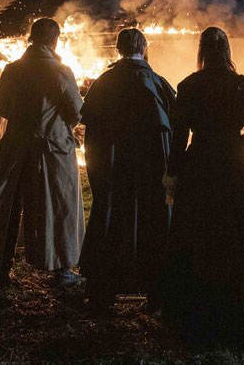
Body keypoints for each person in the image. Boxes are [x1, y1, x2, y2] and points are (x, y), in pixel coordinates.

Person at [159, 27, 244, 354]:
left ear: (202, 51)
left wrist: (173, 172)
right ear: (227, 50)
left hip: (200, 166)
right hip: (235, 167)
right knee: (238, 235)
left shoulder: (188, 86)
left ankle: (199, 316)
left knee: (200, 235)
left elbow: (178, 138)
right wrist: (233, 144)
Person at [0, 18, 85, 286]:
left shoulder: (12, 70)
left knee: (9, 205)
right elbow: (77, 111)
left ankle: (3, 267)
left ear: (32, 38)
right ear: (54, 40)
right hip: (51, 151)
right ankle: (61, 269)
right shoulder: (60, 71)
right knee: (58, 206)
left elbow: (4, 108)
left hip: (17, 146)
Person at [79, 28, 175, 310]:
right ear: (144, 49)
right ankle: (156, 293)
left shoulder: (104, 83)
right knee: (153, 222)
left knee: (112, 220)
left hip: (114, 169)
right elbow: (174, 124)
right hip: (151, 171)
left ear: (118, 50)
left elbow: (92, 129)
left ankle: (103, 291)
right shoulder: (158, 83)